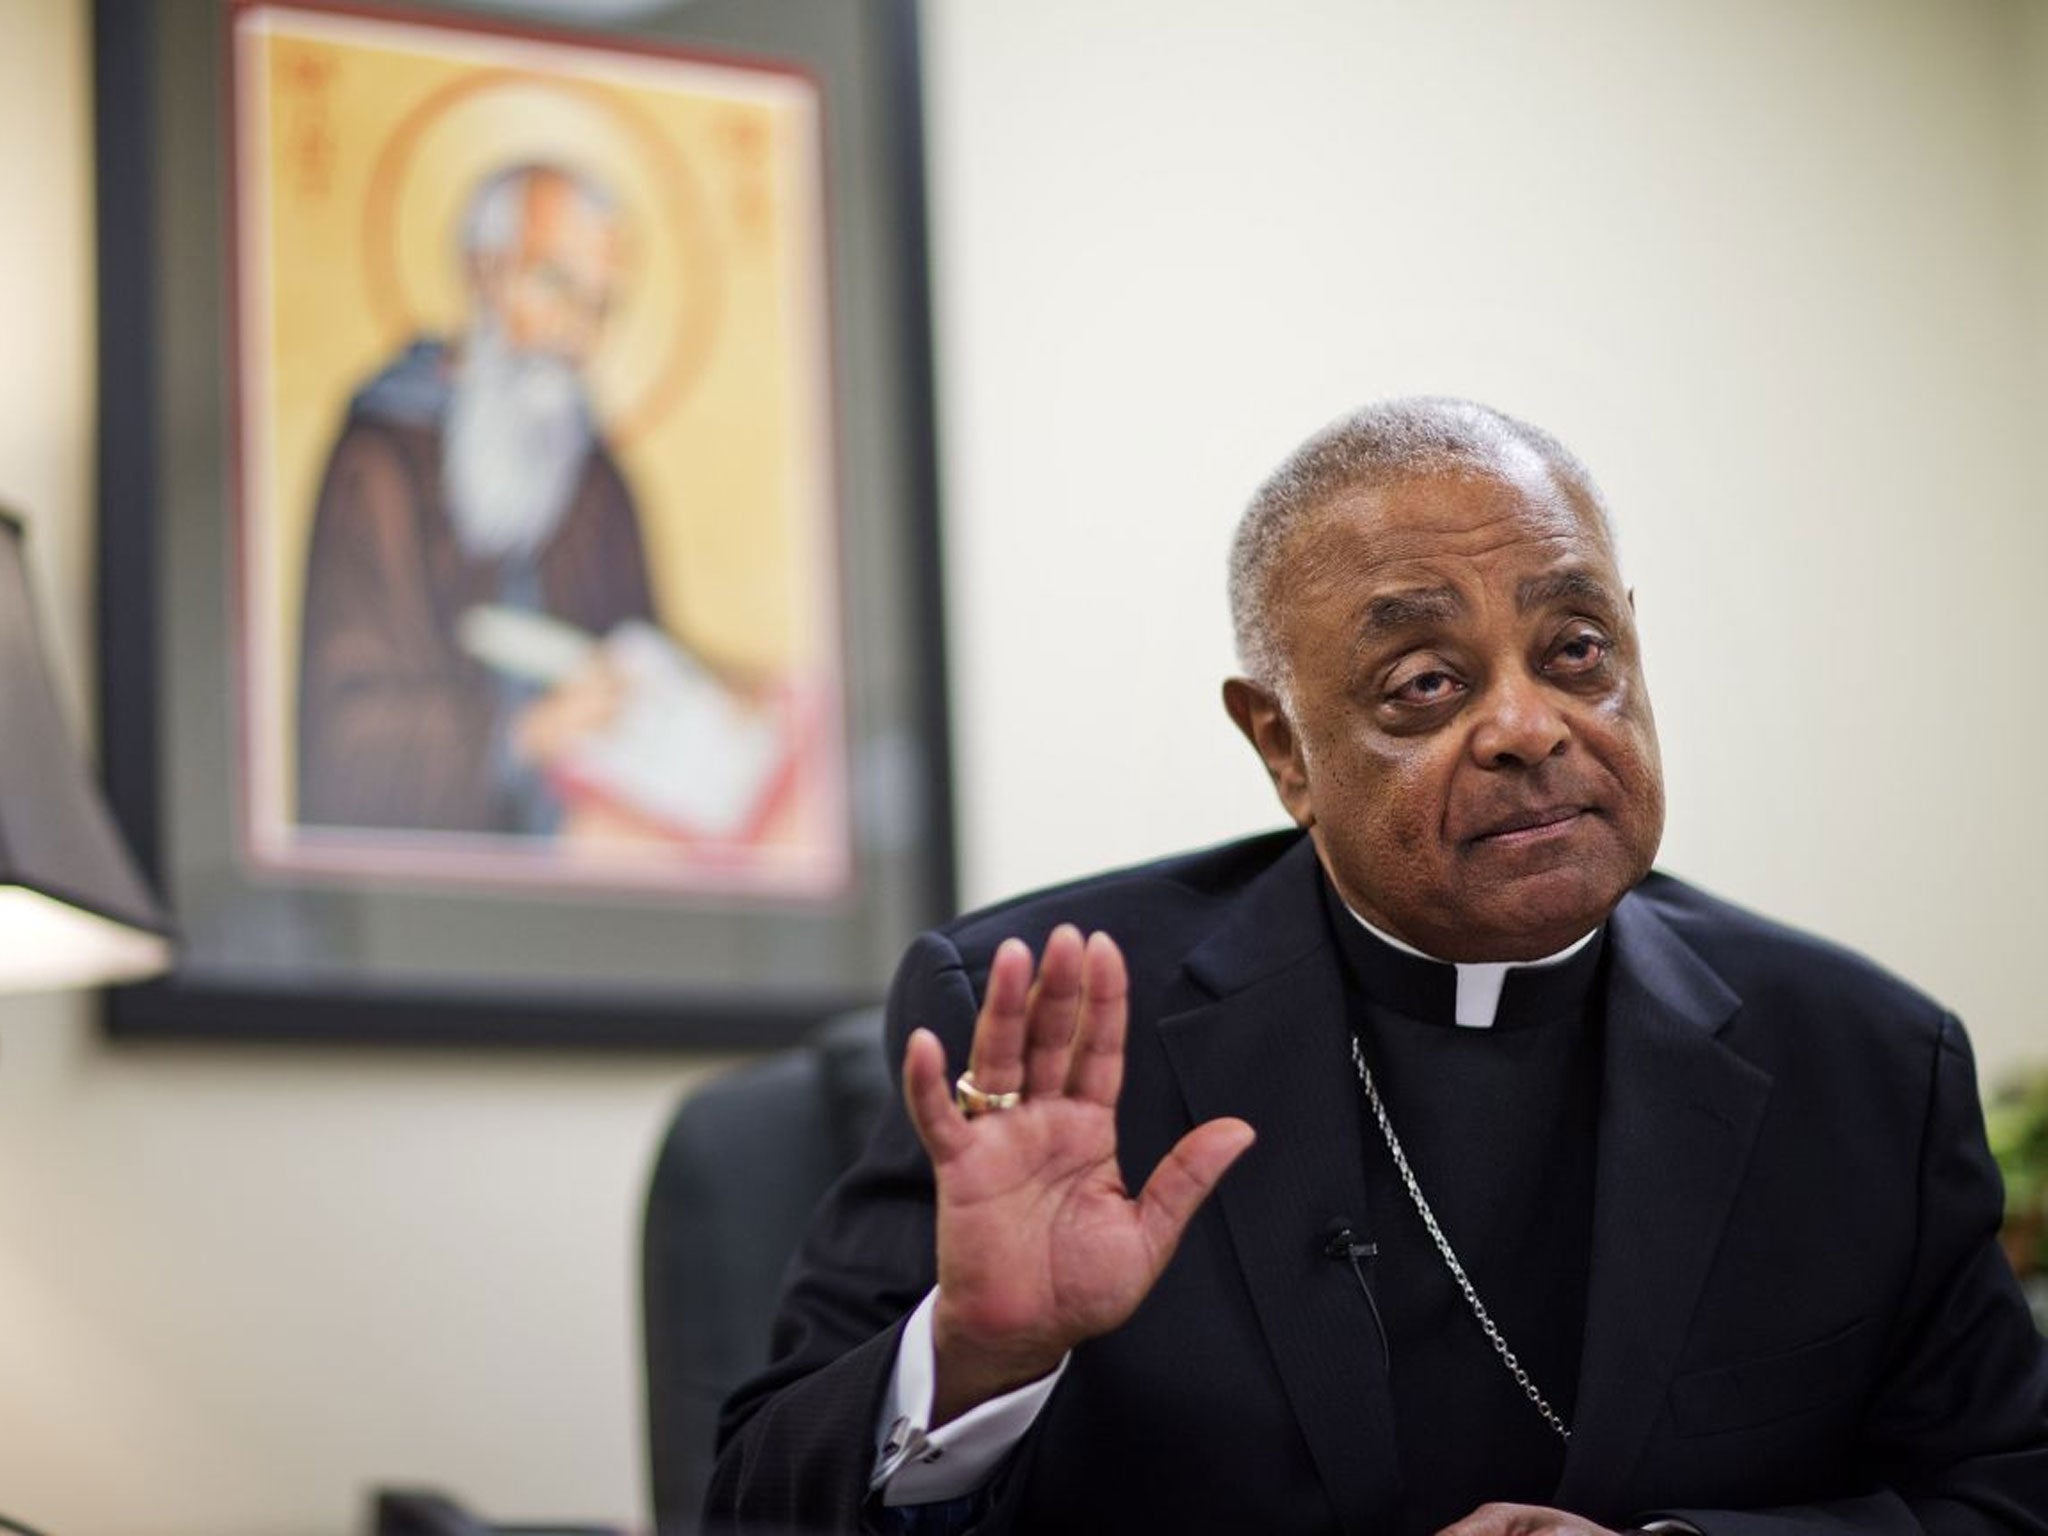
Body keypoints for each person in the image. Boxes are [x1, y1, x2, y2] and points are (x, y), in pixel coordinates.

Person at [705, 398, 2048, 1534]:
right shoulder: (1044, 1026)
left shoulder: (1863, 1060)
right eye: (1425, 683)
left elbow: (2001, 1495)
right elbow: (754, 1503)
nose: (1530, 724)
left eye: (1577, 652)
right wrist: (974, 1359)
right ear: (1281, 745)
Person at [296, 161, 657, 836]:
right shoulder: (381, 460)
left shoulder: (598, 478)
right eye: (555, 285)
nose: (576, 333)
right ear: (483, 272)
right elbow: (343, 743)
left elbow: (640, 661)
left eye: (600, 305)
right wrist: (520, 735)